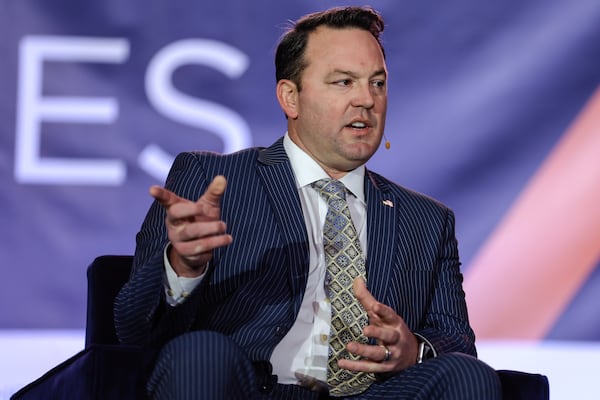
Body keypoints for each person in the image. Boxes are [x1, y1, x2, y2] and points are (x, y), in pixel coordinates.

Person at [114, 6, 502, 399]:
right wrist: (184, 266)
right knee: (200, 355)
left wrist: (413, 351)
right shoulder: (214, 181)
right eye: (344, 82)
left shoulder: (426, 220)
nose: (366, 100)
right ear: (291, 98)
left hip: (373, 394)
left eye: (378, 83)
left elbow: (455, 340)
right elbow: (133, 329)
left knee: (467, 377)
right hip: (249, 389)